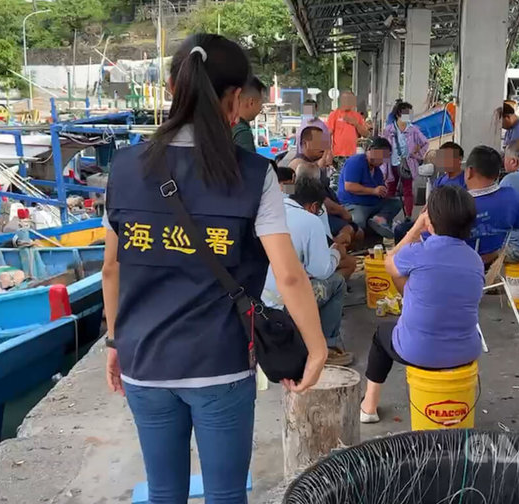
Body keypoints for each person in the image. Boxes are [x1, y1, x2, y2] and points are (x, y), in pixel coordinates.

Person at [102, 34, 327, 504]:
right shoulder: (252, 173)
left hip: (145, 361)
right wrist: (316, 347)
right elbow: (288, 275)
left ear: (170, 87)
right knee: (226, 493)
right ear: (233, 100)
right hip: (220, 365)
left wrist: (113, 341)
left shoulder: (123, 169)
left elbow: (111, 269)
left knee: (164, 491)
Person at [360, 186, 484, 423]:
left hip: (418, 350)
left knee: (381, 335)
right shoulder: (474, 260)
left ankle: (369, 406)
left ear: (430, 219)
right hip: (466, 350)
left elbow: (389, 263)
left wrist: (415, 229)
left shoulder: (418, 252)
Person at [262, 177, 355, 367]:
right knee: (336, 282)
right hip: (283, 303)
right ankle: (327, 347)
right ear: (314, 206)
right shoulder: (309, 221)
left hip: (259, 300)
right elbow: (321, 271)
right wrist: (336, 251)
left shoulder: (267, 211)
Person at [291, 126, 361, 248]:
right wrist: (342, 211)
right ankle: (331, 248)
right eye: (319, 142)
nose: (323, 146)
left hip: (325, 212)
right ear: (305, 143)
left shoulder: (312, 164)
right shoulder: (299, 165)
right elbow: (317, 198)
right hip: (315, 214)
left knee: (356, 231)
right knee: (354, 232)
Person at [463, 145, 519, 264]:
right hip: (495, 262)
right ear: (497, 174)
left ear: (469, 171)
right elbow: (517, 225)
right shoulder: (512, 195)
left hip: (464, 265)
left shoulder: (458, 203)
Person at [337, 137, 402, 239]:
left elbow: (379, 188)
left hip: (372, 204)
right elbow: (349, 186)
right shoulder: (356, 161)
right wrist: (374, 191)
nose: (384, 161)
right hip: (354, 204)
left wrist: (383, 191)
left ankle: (379, 219)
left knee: (396, 203)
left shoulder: (377, 171)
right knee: (358, 222)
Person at [382, 100, 429, 216]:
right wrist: (382, 164)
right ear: (398, 114)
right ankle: (387, 215)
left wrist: (417, 153)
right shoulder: (388, 130)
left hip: (407, 164)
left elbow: (425, 143)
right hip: (391, 164)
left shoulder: (414, 130)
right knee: (390, 190)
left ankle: (408, 215)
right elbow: (382, 146)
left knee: (408, 191)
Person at [327, 91, 370, 160]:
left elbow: (366, 134)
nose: (347, 101)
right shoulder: (334, 114)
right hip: (338, 154)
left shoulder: (357, 116)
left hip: (352, 155)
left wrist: (356, 124)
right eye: (345, 99)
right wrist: (328, 152)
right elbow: (328, 134)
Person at [231, 76, 266, 152]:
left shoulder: (223, 125)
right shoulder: (242, 134)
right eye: (261, 103)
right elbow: (249, 164)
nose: (261, 109)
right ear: (251, 102)